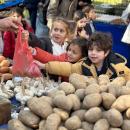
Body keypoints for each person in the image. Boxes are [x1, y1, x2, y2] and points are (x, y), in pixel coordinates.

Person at [34, 32, 130, 81]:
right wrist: (44, 66)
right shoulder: (84, 64)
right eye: (91, 49)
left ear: (106, 53)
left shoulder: (118, 67)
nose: (93, 53)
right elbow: (68, 68)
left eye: (98, 51)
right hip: (89, 100)